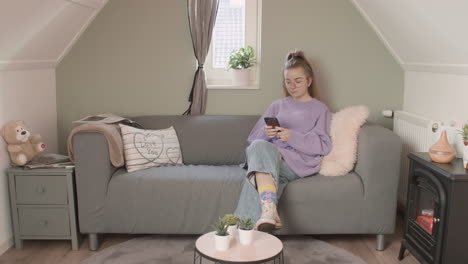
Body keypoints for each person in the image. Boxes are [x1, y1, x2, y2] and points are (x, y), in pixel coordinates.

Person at [234, 50, 332, 232]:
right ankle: (267, 214)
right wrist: (267, 133)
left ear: (309, 81)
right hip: (271, 159)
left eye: (298, 81)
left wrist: (292, 137)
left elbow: (323, 146)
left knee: (258, 172)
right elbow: (253, 143)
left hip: (296, 164)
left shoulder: (320, 109)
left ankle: (241, 228)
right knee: (260, 158)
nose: (292, 86)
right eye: (288, 81)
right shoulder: (277, 105)